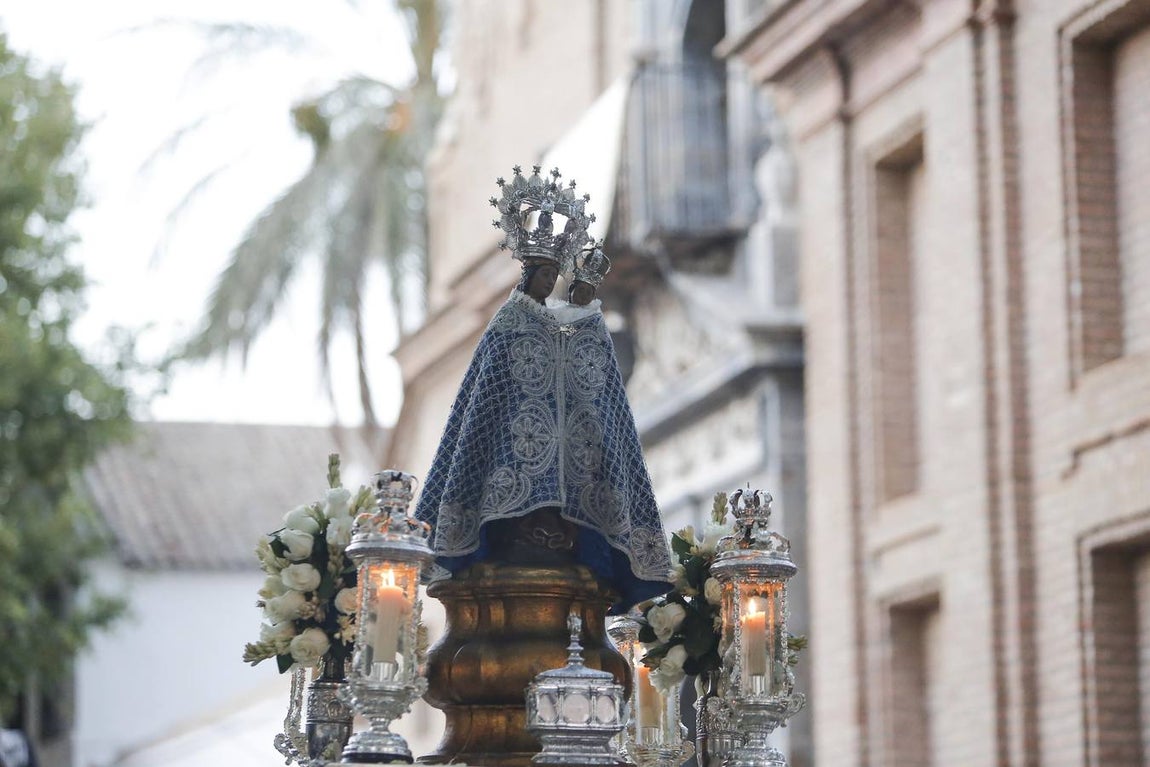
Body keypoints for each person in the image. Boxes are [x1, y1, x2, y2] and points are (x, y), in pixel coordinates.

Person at [415, 167, 671, 612]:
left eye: (555, 275)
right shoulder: (508, 325)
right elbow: (483, 404)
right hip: (511, 455)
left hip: (581, 465)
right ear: (529, 273)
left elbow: (605, 399)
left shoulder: (587, 331)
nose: (548, 283)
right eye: (542, 273)